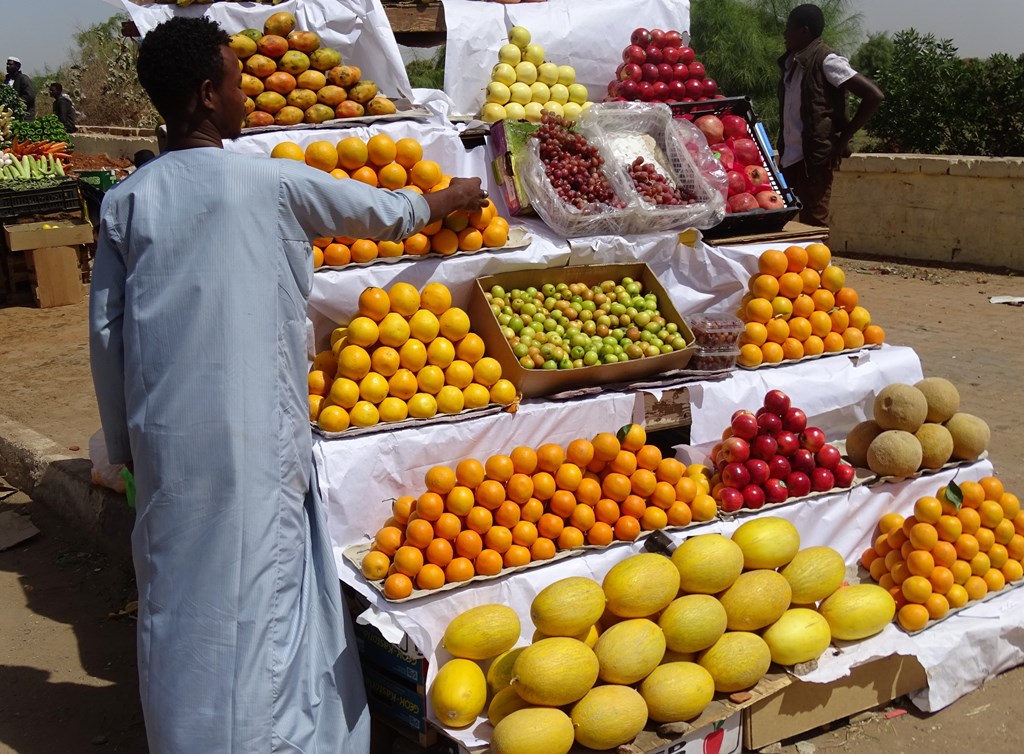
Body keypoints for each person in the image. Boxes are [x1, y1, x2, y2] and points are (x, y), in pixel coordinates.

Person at [89, 15, 486, 754]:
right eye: (237, 83)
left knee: (181, 601)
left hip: (165, 438)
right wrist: (453, 195)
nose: (247, 97)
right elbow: (385, 211)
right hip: (252, 436)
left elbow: (107, 339)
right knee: (261, 600)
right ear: (208, 95)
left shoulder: (128, 200)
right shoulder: (266, 179)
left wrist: (124, 447)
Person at [777, 4, 883, 226]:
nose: (785, 34)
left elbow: (874, 95)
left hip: (814, 158)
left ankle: (818, 262)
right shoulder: (792, 62)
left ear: (804, 31)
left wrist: (844, 138)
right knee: (783, 221)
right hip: (790, 157)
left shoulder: (826, 60)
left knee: (814, 222)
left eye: (789, 28)